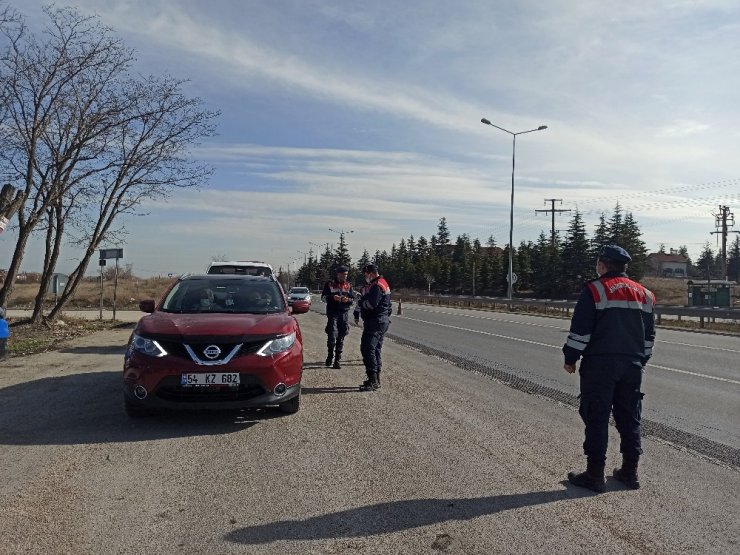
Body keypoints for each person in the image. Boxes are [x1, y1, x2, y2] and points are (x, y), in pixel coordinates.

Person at [563, 244, 656, 492]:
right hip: (632, 365)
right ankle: (630, 472)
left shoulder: (594, 290)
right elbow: (649, 336)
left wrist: (570, 357)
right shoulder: (645, 294)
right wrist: (641, 360)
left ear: (602, 265)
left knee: (597, 416)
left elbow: (581, 331)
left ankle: (595, 475)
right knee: (630, 417)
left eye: (598, 263)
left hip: (600, 365)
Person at [353, 263, 392, 391]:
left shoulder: (377, 286)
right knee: (375, 349)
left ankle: (373, 380)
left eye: (366, 274)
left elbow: (371, 304)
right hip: (380, 321)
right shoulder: (381, 283)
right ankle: (375, 378)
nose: (365, 277)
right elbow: (389, 307)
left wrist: (361, 303)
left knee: (367, 348)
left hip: (375, 321)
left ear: (371, 273)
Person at [321, 265, 356, 369]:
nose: (345, 276)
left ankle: (337, 360)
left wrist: (347, 300)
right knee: (332, 336)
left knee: (341, 336)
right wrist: (332, 298)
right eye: (343, 274)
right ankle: (330, 355)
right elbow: (323, 298)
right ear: (338, 274)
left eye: (346, 275)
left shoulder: (348, 285)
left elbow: (353, 300)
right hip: (332, 313)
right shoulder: (330, 284)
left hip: (344, 313)